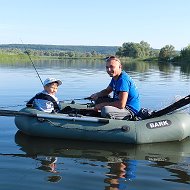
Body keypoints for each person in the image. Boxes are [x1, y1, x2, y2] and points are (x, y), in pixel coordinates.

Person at [90, 56, 140, 120]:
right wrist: (96, 95)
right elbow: (107, 91)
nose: (109, 70)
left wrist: (101, 105)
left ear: (120, 67)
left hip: (129, 110)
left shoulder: (123, 80)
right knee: (98, 99)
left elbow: (121, 104)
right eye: (107, 67)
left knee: (105, 110)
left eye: (111, 67)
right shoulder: (115, 77)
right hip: (120, 104)